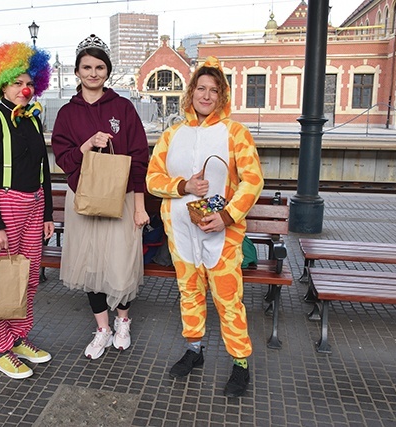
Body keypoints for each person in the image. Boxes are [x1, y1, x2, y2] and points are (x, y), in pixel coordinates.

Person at [146, 56, 264, 397]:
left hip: (222, 235)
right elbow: (153, 179)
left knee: (229, 300)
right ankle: (194, 350)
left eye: (214, 90)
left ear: (222, 96)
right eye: (201, 88)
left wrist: (227, 216)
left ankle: (240, 363)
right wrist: (183, 187)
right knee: (189, 293)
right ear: (191, 92)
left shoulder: (235, 133)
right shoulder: (171, 135)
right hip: (182, 235)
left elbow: (253, 180)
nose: (207, 95)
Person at [51, 34, 150, 360]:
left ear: (107, 71)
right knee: (91, 267)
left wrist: (139, 208)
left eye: (99, 67)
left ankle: (123, 322)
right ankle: (102, 329)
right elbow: (63, 159)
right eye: (86, 67)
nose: (93, 73)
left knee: (119, 264)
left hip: (119, 200)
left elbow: (139, 159)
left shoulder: (123, 107)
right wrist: (86, 146)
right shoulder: (67, 113)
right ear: (77, 71)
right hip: (85, 201)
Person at [0, 42, 54, 379]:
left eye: (28, 81)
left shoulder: (33, 121)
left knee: (28, 279)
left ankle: (18, 338)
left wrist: (48, 212)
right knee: (2, 284)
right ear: (1, 83)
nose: (24, 88)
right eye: (16, 81)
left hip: (34, 206)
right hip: (5, 208)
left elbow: (44, 171)